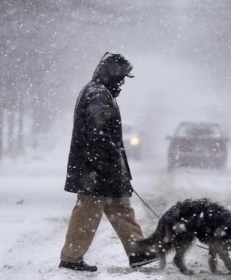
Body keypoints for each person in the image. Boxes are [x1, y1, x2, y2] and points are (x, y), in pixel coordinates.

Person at [59, 52, 156, 272]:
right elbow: (98, 131)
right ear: (110, 74)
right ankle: (71, 257)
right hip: (95, 168)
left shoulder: (100, 92)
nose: (122, 82)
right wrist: (109, 161)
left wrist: (117, 166)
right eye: (120, 77)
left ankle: (138, 251)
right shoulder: (97, 94)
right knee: (88, 211)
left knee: (120, 207)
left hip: (104, 166)